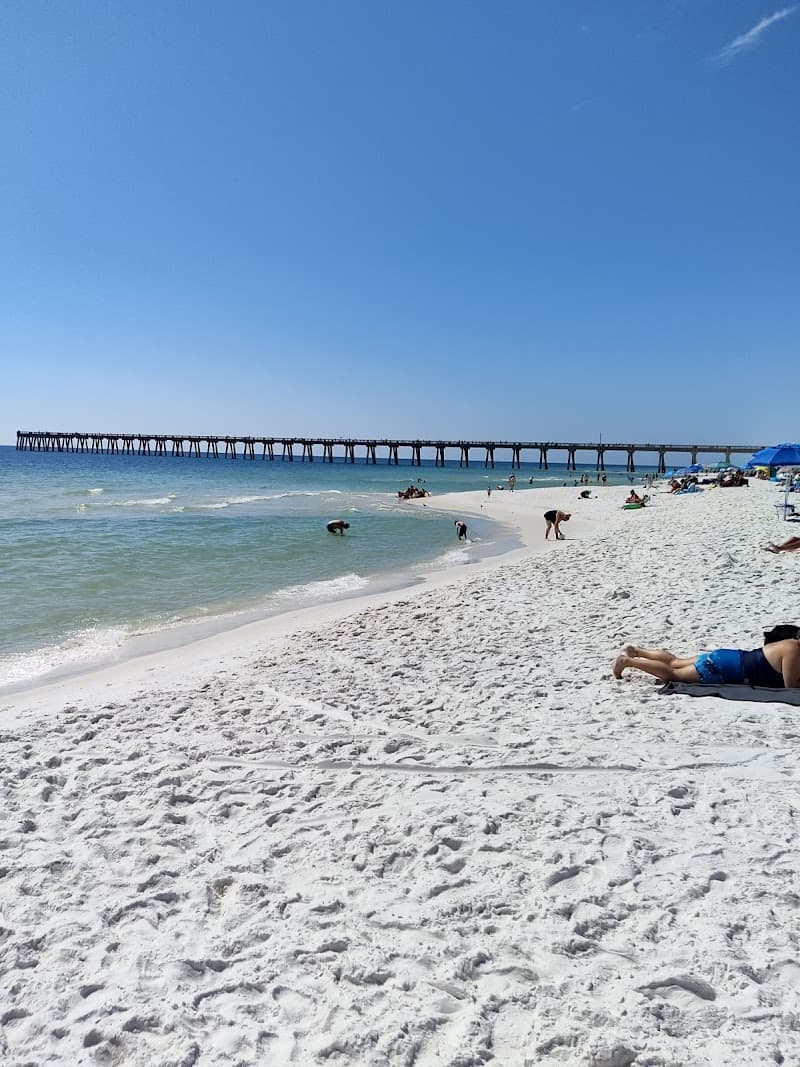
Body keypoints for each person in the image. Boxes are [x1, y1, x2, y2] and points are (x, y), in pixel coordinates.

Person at [613, 631, 800, 688]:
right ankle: (628, 662)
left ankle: (637, 650)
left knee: (675, 662)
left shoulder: (789, 643)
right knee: (673, 674)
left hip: (727, 657)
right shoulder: (794, 651)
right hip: (725, 669)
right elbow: (790, 686)